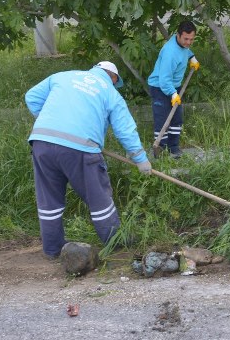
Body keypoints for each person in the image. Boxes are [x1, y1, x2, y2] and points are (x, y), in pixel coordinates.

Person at [25, 61, 152, 259]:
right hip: (80, 148)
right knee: (98, 196)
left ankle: (53, 250)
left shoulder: (62, 76)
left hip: (42, 142)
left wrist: (52, 124)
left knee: (49, 199)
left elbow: (31, 97)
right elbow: (125, 129)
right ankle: (115, 243)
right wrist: (140, 159)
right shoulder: (110, 93)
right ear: (113, 78)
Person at [147, 21, 200, 158]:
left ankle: (173, 147)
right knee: (163, 120)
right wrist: (172, 93)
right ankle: (160, 150)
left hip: (173, 87)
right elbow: (164, 80)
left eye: (191, 39)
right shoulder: (170, 53)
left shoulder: (181, 44)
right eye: (186, 39)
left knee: (176, 119)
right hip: (160, 88)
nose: (188, 42)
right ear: (178, 35)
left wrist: (192, 57)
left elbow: (185, 51)